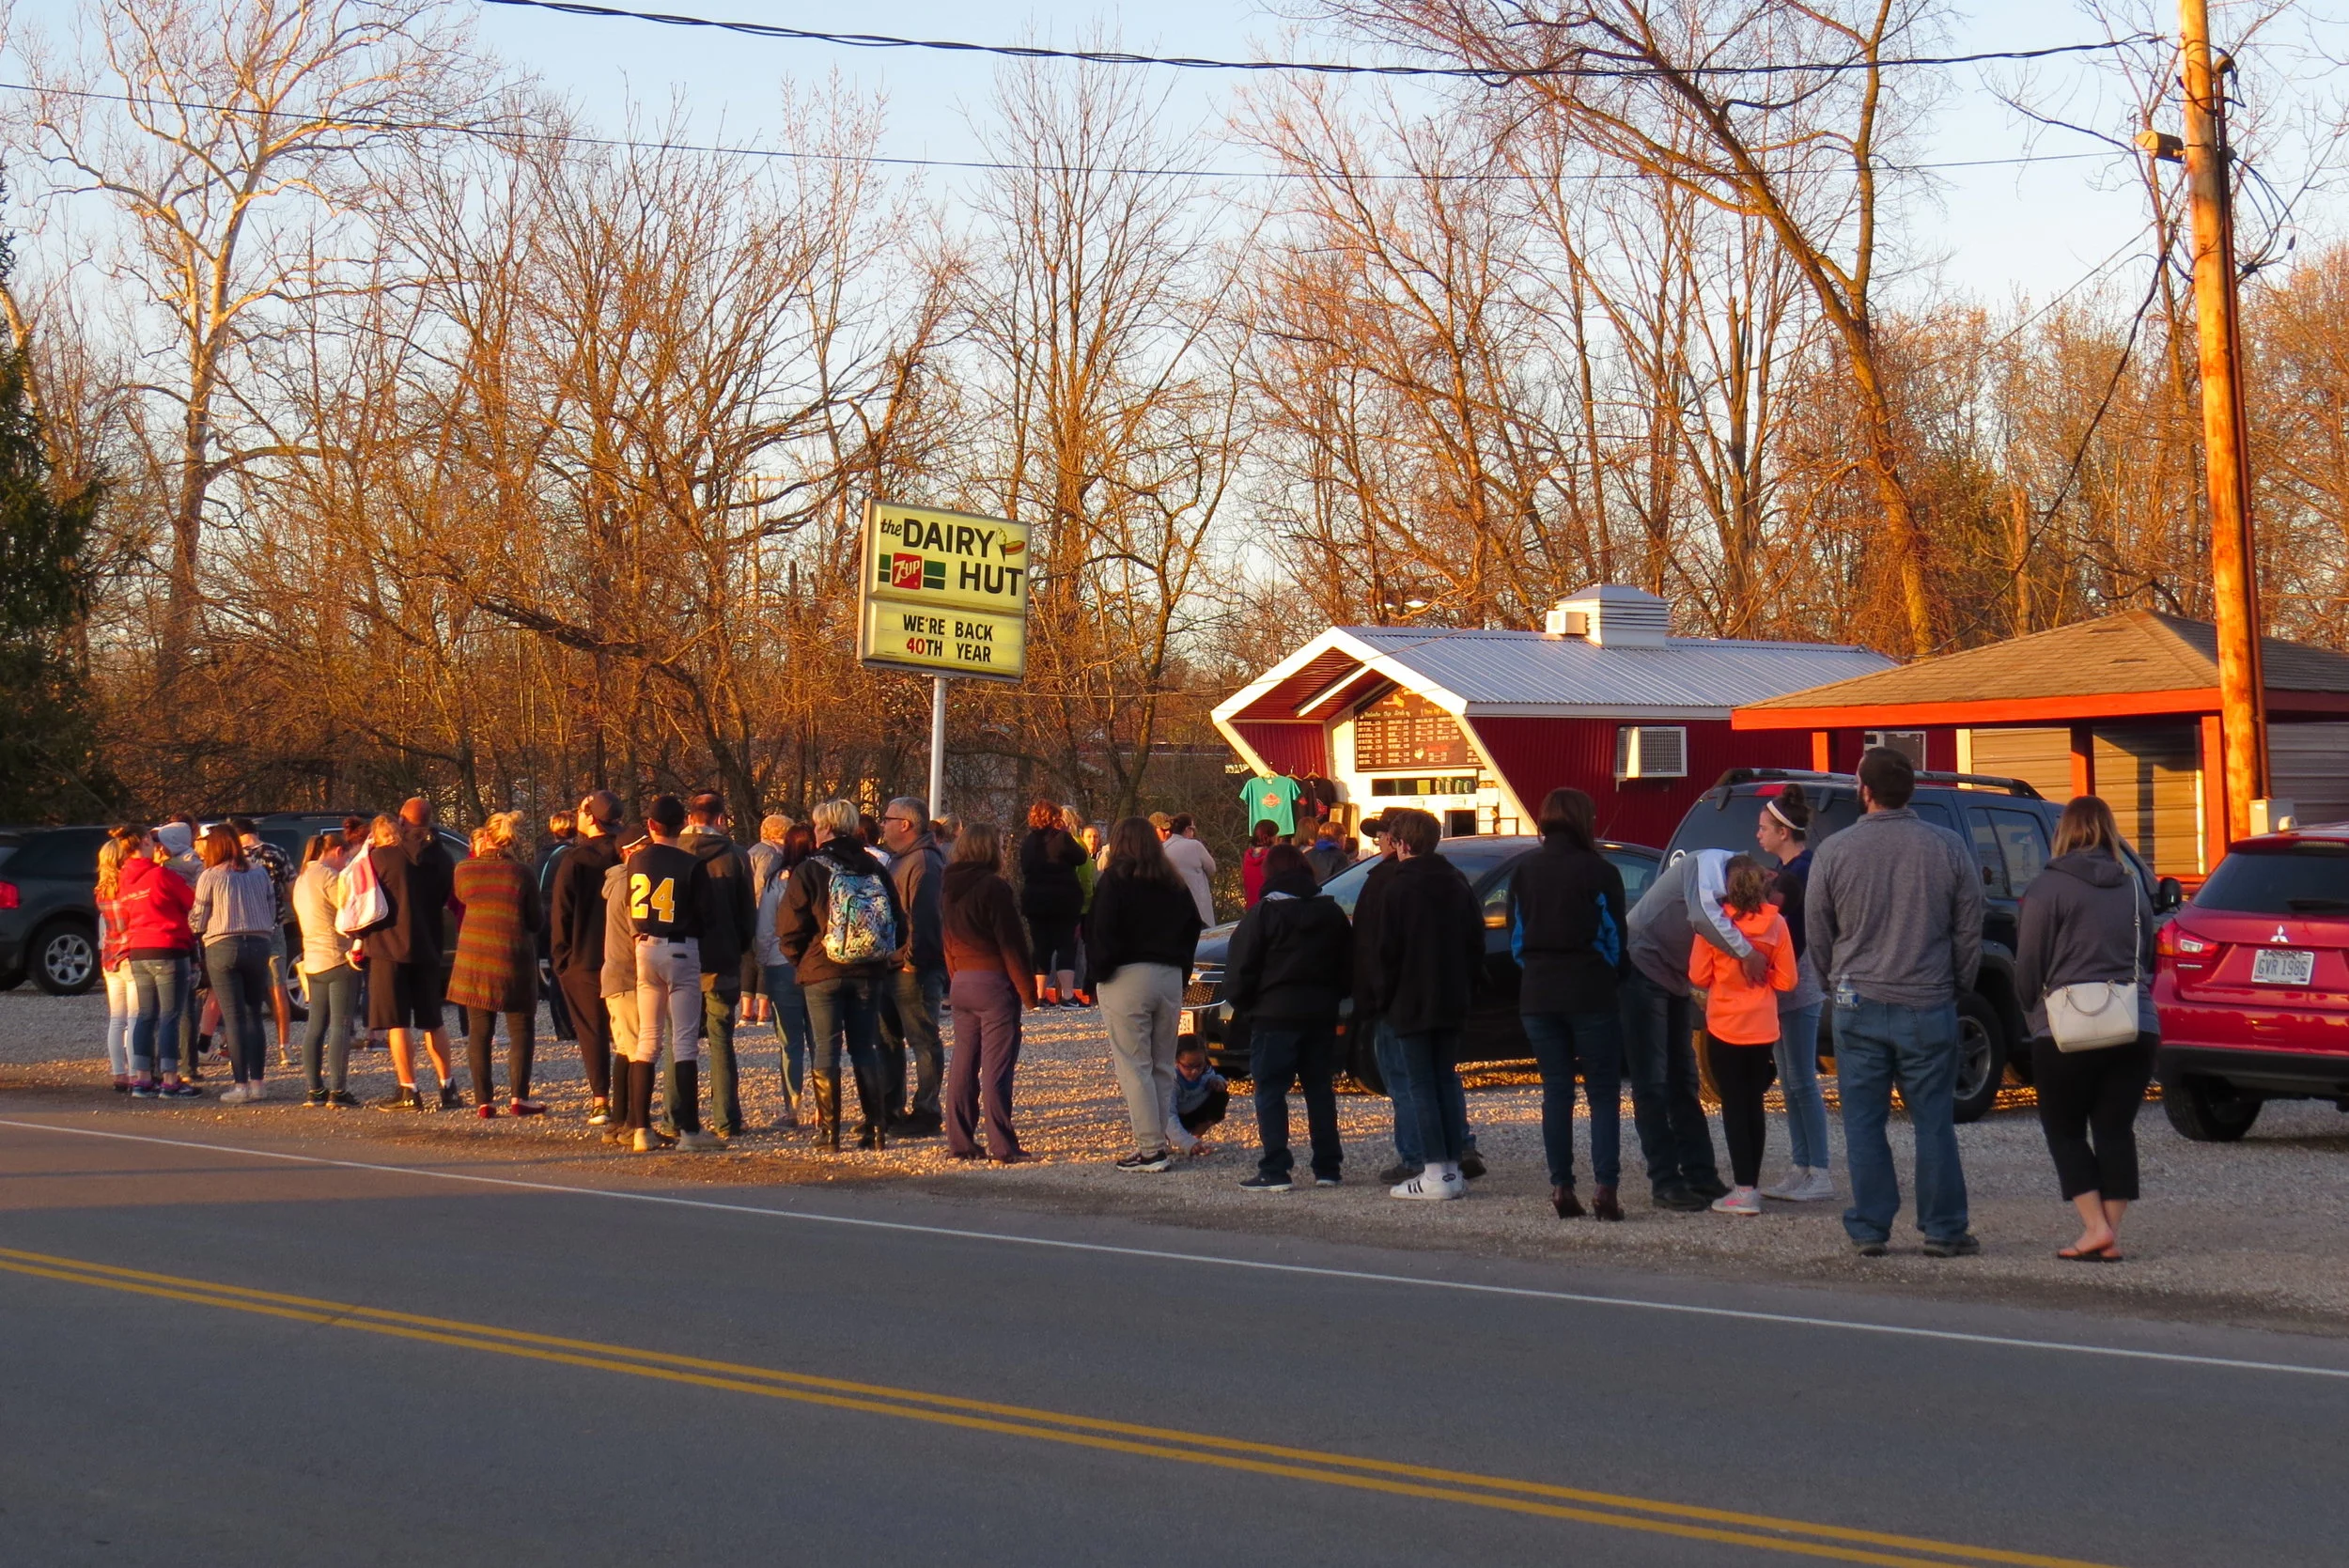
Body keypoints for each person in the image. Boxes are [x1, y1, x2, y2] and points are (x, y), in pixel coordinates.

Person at [1808, 746, 1986, 1258]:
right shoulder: (1947, 846)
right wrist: (1956, 984)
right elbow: (1968, 927)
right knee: (1933, 1120)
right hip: (1927, 1001)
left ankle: (1869, 1227)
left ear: (1864, 791)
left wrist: (1831, 981)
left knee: (1864, 1122)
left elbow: (1818, 931)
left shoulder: (1835, 851)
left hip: (1856, 999)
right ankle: (1944, 1228)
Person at [2015, 796, 2159, 1263]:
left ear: (2064, 832)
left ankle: (2095, 1227)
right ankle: (2108, 1234)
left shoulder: (2046, 889)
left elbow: (2029, 965)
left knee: (2064, 1127)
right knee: (2115, 1128)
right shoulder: (2133, 887)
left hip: (2066, 1023)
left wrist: (2030, 1011)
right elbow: (2147, 954)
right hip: (2134, 1019)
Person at [1507, 786, 1629, 1221]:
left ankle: (1561, 1185)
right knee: (1602, 1093)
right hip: (1589, 988)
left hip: (1538, 991)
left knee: (1556, 1091)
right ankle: (1605, 1186)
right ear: (1584, 819)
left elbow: (1516, 938)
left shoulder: (1524, 871)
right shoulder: (1599, 870)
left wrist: (1536, 969)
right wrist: (1611, 973)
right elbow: (1615, 936)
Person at [1622, 848, 1752, 1210]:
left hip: (1676, 980)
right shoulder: (1703, 865)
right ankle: (1664, 1180)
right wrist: (1749, 953)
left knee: (1684, 1079)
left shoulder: (1726, 878)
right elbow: (1704, 917)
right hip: (1643, 969)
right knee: (1653, 1082)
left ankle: (1700, 1175)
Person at [1370, 808, 1485, 1200]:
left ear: (1401, 844)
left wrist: (1382, 998)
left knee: (1421, 1085)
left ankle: (1434, 1169)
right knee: (1445, 1080)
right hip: (1452, 997)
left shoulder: (1398, 889)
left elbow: (1387, 953)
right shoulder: (1457, 882)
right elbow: (1476, 942)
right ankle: (1451, 1166)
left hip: (1411, 1000)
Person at [781, 799, 908, 1151]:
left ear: (825, 828)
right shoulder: (874, 868)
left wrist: (802, 961)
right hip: (869, 971)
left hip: (822, 970)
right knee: (865, 1048)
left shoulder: (810, 869)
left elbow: (789, 928)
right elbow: (899, 923)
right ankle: (876, 1128)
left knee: (826, 1049)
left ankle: (830, 1132)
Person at [1222, 842, 1349, 1192]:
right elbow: (1347, 967)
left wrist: (1248, 1007)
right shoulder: (1331, 913)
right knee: (1319, 1091)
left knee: (1271, 1091)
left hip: (1274, 1015)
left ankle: (1276, 1167)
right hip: (1320, 1013)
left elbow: (1240, 969)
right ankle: (1328, 1166)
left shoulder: (1263, 914)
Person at [1085, 816, 1205, 1172]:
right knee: (1162, 1065)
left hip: (1127, 976)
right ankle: (1160, 1139)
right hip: (1169, 976)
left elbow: (1100, 931)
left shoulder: (1115, 880)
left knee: (1133, 1065)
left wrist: (1100, 974)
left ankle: (1150, 1148)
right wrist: (1181, 970)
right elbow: (1192, 928)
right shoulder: (1173, 883)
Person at [613, 796, 722, 1152]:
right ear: (683, 825)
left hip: (644, 946)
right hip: (680, 946)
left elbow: (632, 905)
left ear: (650, 825)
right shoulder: (691, 864)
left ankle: (640, 1128)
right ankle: (689, 1131)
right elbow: (707, 915)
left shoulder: (636, 860)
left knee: (647, 1040)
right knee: (684, 1041)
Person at [1690, 855, 1797, 1216]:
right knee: (1754, 1105)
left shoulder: (1715, 926)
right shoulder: (1777, 924)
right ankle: (1752, 1182)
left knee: (1734, 1107)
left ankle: (1744, 1189)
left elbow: (1698, 975)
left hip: (1725, 1024)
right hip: (1762, 1024)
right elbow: (1787, 981)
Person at [1756, 785, 1835, 1203]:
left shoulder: (1801, 872)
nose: (1758, 834)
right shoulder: (1783, 869)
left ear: (1784, 832)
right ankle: (1800, 1166)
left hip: (1800, 985)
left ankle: (1820, 1170)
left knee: (1803, 1079)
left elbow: (1793, 930)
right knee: (1788, 1081)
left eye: (1764, 827)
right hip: (1782, 986)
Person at [941, 823, 1037, 1162]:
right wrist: (1028, 991)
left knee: (963, 1064)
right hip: (993, 983)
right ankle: (1002, 1145)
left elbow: (947, 940)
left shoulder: (948, 887)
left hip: (961, 981)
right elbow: (1010, 942)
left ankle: (960, 1141)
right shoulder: (993, 888)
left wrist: (955, 977)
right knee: (997, 1067)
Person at [667, 791, 756, 1141]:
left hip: (680, 956)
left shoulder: (673, 853)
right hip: (722, 959)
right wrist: (740, 949)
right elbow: (747, 914)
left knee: (678, 1039)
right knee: (721, 1039)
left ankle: (674, 1116)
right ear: (720, 819)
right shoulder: (735, 856)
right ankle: (726, 1118)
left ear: (691, 819)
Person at [449, 812, 546, 1117]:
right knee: (520, 1028)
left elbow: (463, 897)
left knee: (479, 1030)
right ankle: (519, 1097)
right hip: (512, 957)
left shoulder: (464, 870)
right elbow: (535, 921)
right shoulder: (522, 873)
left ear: (485, 837)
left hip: (473, 958)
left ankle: (484, 1101)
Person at [363, 811, 459, 1110]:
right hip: (428, 946)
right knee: (434, 1021)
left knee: (397, 1023)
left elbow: (358, 894)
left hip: (388, 947)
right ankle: (448, 1087)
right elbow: (446, 897)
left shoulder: (380, 859)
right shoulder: (443, 859)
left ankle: (409, 1089)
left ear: (403, 822)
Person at [189, 824, 280, 1102]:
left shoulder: (211, 876)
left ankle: (240, 1085)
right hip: (259, 942)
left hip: (223, 945)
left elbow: (198, 918)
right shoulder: (259, 872)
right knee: (254, 1014)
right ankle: (258, 1083)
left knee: (234, 1017)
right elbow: (272, 906)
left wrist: (193, 927)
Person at [552, 791, 626, 1125]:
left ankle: (601, 1099)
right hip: (624, 953)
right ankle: (629, 1099)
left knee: (592, 1030)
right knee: (627, 1030)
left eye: (581, 810)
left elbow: (561, 913)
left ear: (591, 817)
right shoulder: (630, 854)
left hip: (584, 955)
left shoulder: (574, 860)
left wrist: (560, 958)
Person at [878, 796, 948, 1137]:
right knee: (887, 1041)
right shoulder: (898, 860)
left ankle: (926, 1111)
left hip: (913, 970)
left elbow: (926, 919)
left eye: (887, 819)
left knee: (923, 1040)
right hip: (890, 966)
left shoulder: (923, 863)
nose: (883, 824)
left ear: (905, 825)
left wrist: (911, 961)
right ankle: (890, 1109)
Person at [116, 828, 198, 1098]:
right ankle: (170, 1079)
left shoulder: (124, 879)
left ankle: (141, 1078)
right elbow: (191, 901)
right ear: (146, 842)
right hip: (168, 945)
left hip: (139, 948)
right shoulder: (161, 875)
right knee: (170, 1016)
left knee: (145, 1015)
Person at [291, 828, 362, 1106]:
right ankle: (338, 1090)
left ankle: (315, 1089)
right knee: (341, 1025)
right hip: (337, 957)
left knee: (315, 1026)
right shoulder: (330, 877)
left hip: (312, 959)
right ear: (336, 851)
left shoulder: (302, 878)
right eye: (344, 859)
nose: (344, 864)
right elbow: (349, 910)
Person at [754, 822, 817, 1127]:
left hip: (782, 964)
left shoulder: (776, 882)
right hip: (819, 965)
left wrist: (763, 963)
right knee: (820, 1038)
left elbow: (766, 928)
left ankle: (792, 1107)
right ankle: (823, 1105)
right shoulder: (824, 877)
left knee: (789, 1041)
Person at [229, 817, 297, 1068]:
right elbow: (293, 890)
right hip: (272, 927)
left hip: (240, 929)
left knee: (241, 989)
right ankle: (284, 1047)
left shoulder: (232, 857)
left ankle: (238, 1046)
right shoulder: (277, 853)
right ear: (255, 832)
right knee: (278, 987)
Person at [1018, 800, 1087, 1007]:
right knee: (1066, 945)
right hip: (1063, 900)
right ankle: (1067, 995)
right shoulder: (1062, 838)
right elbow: (1081, 858)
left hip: (1035, 900)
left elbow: (1024, 867)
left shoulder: (1028, 842)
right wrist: (1065, 833)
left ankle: (1038, 995)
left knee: (1041, 947)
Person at [744, 813, 793, 1027]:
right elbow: (763, 883)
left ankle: (746, 1010)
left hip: (747, 911)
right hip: (761, 911)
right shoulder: (772, 855)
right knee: (766, 956)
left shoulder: (752, 850)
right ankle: (764, 1010)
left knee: (748, 960)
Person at [537, 810, 577, 1043]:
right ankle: (569, 1025)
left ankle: (560, 1026)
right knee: (566, 970)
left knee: (554, 969)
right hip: (560, 915)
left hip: (542, 916)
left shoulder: (541, 854)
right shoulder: (571, 855)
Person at [1159, 813, 1217, 926]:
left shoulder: (1162, 849)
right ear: (1187, 829)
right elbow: (1211, 868)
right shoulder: (1195, 846)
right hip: (1198, 903)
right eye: (1193, 829)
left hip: (1172, 905)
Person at [1172, 1043, 1228, 1140]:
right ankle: (1164, 1141)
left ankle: (1195, 1138)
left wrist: (1218, 1081)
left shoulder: (1206, 1071)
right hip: (1171, 1117)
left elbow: (1216, 1077)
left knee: (1221, 1095)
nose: (1195, 1071)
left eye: (1199, 1065)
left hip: (1192, 1114)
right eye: (1188, 1066)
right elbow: (1169, 1115)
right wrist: (1186, 1143)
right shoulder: (1170, 1079)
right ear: (1176, 1062)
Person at [1240, 820, 1280, 908]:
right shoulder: (1273, 856)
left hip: (1253, 909)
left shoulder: (1247, 857)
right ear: (1270, 837)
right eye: (1275, 835)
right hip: (1271, 907)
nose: (1278, 837)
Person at [1303, 819, 1350, 883]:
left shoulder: (1307, 854)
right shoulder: (1340, 856)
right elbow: (1343, 882)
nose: (1346, 840)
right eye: (1345, 836)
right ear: (1340, 837)